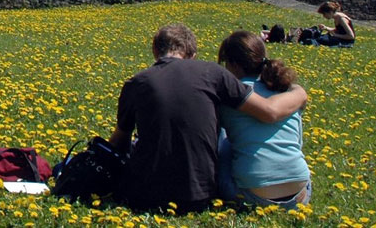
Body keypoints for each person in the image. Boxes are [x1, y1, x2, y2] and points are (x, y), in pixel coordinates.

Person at [108, 24, 307, 214]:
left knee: (221, 139)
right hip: (292, 193)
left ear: (155, 52)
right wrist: (299, 92)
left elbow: (119, 142)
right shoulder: (218, 75)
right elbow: (271, 114)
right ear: (192, 55)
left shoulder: (137, 82)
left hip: (149, 195)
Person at [216, 31, 311, 209]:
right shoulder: (286, 90)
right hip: (301, 195)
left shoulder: (230, 96)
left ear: (233, 64)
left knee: (223, 137)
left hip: (251, 196)